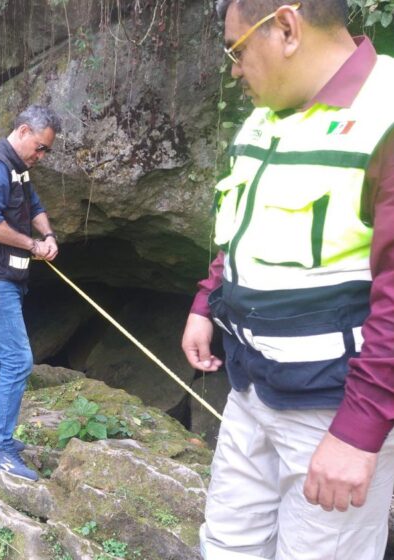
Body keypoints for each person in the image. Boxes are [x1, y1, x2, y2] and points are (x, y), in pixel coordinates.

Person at [181, 1, 394, 558]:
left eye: (236, 50)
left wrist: (358, 431)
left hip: (332, 407)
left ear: (286, 28)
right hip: (250, 391)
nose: (233, 69)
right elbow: (240, 229)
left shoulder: (386, 114)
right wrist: (207, 302)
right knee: (226, 546)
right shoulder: (264, 116)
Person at [0, 105, 61, 482]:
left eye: (46, 151)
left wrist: (48, 235)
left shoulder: (18, 169)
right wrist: (32, 245)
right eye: (40, 147)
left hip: (6, 278)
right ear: (23, 131)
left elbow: (34, 206)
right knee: (19, 360)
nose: (41, 156)